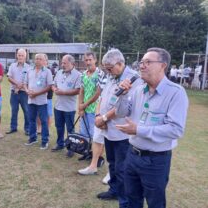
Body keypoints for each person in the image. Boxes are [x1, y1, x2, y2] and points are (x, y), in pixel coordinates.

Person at [115, 47, 189, 208]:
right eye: (141, 62)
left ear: (163, 65)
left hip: (156, 161)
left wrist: (138, 130)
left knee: (155, 203)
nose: (142, 65)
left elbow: (175, 129)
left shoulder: (176, 93)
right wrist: (122, 95)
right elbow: (121, 113)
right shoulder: (138, 90)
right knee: (132, 200)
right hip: (132, 154)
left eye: (148, 62)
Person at [91, 49, 143, 208]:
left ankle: (124, 201)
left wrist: (104, 118)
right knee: (112, 163)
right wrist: (99, 116)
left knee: (122, 169)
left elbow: (125, 106)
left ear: (120, 63)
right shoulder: (112, 76)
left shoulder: (133, 79)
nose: (107, 70)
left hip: (122, 133)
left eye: (110, 67)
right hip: (108, 130)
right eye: (105, 68)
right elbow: (103, 97)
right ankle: (114, 190)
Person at [77, 52, 105, 160]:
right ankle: (86, 152)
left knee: (95, 134)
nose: (88, 62)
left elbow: (98, 92)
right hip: (84, 109)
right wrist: (80, 106)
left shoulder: (100, 74)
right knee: (84, 133)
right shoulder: (83, 74)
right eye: (86, 60)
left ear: (95, 60)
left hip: (95, 109)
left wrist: (85, 104)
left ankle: (96, 157)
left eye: (90, 60)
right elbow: (81, 90)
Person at [51, 54, 81, 152]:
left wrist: (63, 92)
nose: (62, 64)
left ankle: (71, 148)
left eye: (65, 63)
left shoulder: (78, 75)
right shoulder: (59, 72)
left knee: (70, 129)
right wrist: (55, 89)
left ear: (72, 63)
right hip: (58, 106)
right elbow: (53, 84)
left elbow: (77, 90)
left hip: (69, 108)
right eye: (62, 62)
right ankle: (60, 143)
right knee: (59, 127)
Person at [24, 53, 53, 149]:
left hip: (42, 101)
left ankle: (45, 140)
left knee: (44, 121)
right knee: (31, 120)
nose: (38, 60)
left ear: (44, 60)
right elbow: (25, 83)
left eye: (40, 59)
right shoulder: (29, 71)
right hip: (31, 100)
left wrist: (36, 93)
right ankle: (32, 138)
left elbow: (49, 86)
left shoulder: (47, 72)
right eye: (36, 59)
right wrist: (28, 91)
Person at [6, 48, 30, 135]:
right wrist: (17, 84)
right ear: (17, 55)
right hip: (14, 93)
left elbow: (29, 80)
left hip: (24, 93)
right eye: (19, 55)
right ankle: (13, 128)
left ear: (25, 56)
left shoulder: (29, 67)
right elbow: (9, 77)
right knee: (14, 110)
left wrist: (20, 87)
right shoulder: (12, 66)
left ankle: (27, 129)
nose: (20, 57)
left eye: (22, 55)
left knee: (26, 111)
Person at [37, 54, 55, 134]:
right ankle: (39, 128)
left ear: (46, 61)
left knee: (48, 114)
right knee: (38, 114)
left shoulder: (51, 70)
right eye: (39, 59)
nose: (41, 61)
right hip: (38, 96)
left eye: (42, 60)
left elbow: (52, 84)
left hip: (48, 96)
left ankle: (47, 129)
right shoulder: (37, 70)